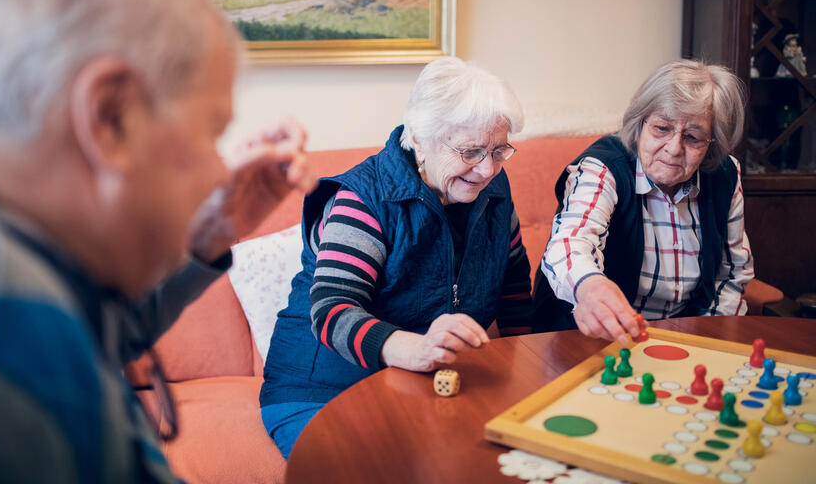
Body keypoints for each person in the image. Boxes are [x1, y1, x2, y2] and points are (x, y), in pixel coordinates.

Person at [0, 0, 315, 483]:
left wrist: (209, 238)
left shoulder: (28, 271)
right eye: (211, 131)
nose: (215, 171)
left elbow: (105, 328)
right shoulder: (8, 330)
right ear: (110, 117)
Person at [259, 56, 535, 458]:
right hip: (323, 390)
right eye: (471, 151)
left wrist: (522, 373)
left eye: (499, 151)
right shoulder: (364, 198)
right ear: (420, 137)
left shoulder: (491, 189)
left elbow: (512, 283)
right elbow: (332, 310)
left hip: (421, 382)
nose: (487, 169)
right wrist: (414, 349)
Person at [535, 59, 754, 344]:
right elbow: (571, 244)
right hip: (591, 339)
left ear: (712, 143)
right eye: (662, 128)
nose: (674, 149)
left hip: (684, 341)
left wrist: (709, 341)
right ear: (640, 124)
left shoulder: (725, 175)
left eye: (693, 137)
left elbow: (732, 273)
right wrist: (589, 286)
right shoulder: (603, 167)